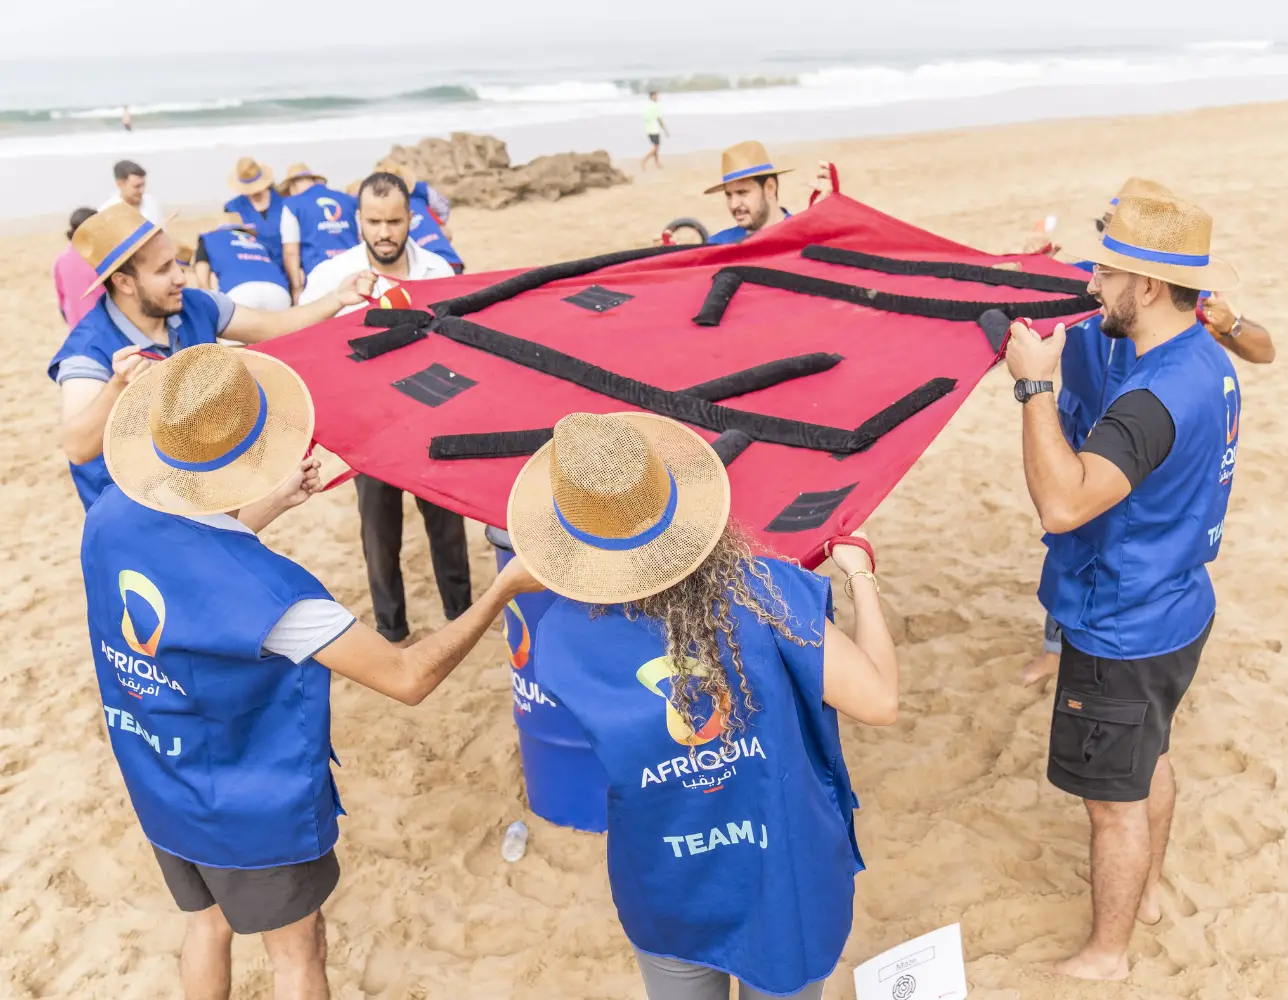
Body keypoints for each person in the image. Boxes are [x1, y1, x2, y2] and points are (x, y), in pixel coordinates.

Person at [81, 341, 540, 1000]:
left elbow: (189, 552)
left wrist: (270, 507)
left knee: (206, 926)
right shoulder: (273, 594)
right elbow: (407, 677)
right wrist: (503, 590)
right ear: (249, 453)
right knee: (298, 955)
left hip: (158, 773)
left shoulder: (110, 513)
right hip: (246, 800)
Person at [505, 410, 900, 1000]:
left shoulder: (560, 640)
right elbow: (879, 700)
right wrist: (861, 579)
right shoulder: (763, 590)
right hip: (781, 871)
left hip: (665, 877)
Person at [1003, 193, 1241, 982]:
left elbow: (1065, 500)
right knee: (1149, 758)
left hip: (1123, 624)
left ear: (1146, 286)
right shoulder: (1207, 357)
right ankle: (1146, 899)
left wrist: (1034, 390)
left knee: (1112, 805)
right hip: (1178, 605)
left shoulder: (1151, 399)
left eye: (1105, 271)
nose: (1092, 284)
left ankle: (1108, 955)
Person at [1019, 179, 1275, 686]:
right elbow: (993, 285)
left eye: (1109, 248)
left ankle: (1070, 649)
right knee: (1070, 549)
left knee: (1098, 539)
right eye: (1101, 235)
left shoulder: (1175, 316)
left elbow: (1264, 350)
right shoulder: (1090, 281)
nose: (1096, 279)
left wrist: (1232, 323)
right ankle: (1055, 647)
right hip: (1089, 436)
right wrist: (1027, 268)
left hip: (1138, 445)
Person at [48, 203, 374, 510]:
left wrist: (337, 299)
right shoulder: (88, 348)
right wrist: (119, 387)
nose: (180, 277)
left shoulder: (194, 305)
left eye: (176, 262)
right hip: (133, 515)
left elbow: (275, 326)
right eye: (163, 270)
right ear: (123, 282)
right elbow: (77, 447)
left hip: (201, 496)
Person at [302, 171, 467, 643]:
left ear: (411, 218)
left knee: (446, 520)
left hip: (432, 412)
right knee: (379, 529)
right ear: (357, 221)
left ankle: (460, 613)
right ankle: (392, 627)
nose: (384, 233)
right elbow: (303, 344)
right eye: (374, 221)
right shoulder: (330, 279)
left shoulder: (438, 270)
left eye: (394, 221)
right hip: (368, 421)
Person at [278, 163, 359, 303]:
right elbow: (362, 236)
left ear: (292, 186)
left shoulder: (292, 204)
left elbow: (290, 251)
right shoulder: (348, 200)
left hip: (319, 274)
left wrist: (297, 289)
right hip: (354, 270)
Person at [374, 159, 463, 272]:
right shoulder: (420, 202)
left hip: (426, 267)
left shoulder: (386, 216)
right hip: (450, 260)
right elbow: (447, 233)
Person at [195, 212, 293, 311]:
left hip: (239, 292)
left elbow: (203, 281)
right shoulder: (258, 243)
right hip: (279, 292)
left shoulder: (209, 238)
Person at [704, 141, 795, 245]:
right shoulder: (718, 245)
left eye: (742, 192)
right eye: (728, 195)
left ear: (770, 188)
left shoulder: (803, 237)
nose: (734, 205)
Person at [224, 156, 286, 273]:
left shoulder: (285, 201)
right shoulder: (232, 208)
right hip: (254, 270)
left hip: (286, 269)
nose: (254, 192)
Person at [54, 207, 103, 327]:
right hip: (104, 330)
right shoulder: (100, 258)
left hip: (78, 332)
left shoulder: (60, 260)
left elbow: (62, 303)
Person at [101, 160, 163, 225]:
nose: (141, 190)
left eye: (143, 185)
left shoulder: (151, 201)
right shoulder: (106, 212)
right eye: (137, 186)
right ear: (120, 184)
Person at [641, 90, 668, 170]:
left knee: (656, 146)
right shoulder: (655, 106)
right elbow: (659, 118)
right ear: (652, 96)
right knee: (655, 148)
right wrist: (664, 129)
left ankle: (657, 163)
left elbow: (645, 118)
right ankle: (644, 160)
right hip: (654, 129)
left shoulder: (647, 106)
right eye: (656, 96)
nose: (657, 97)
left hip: (648, 129)